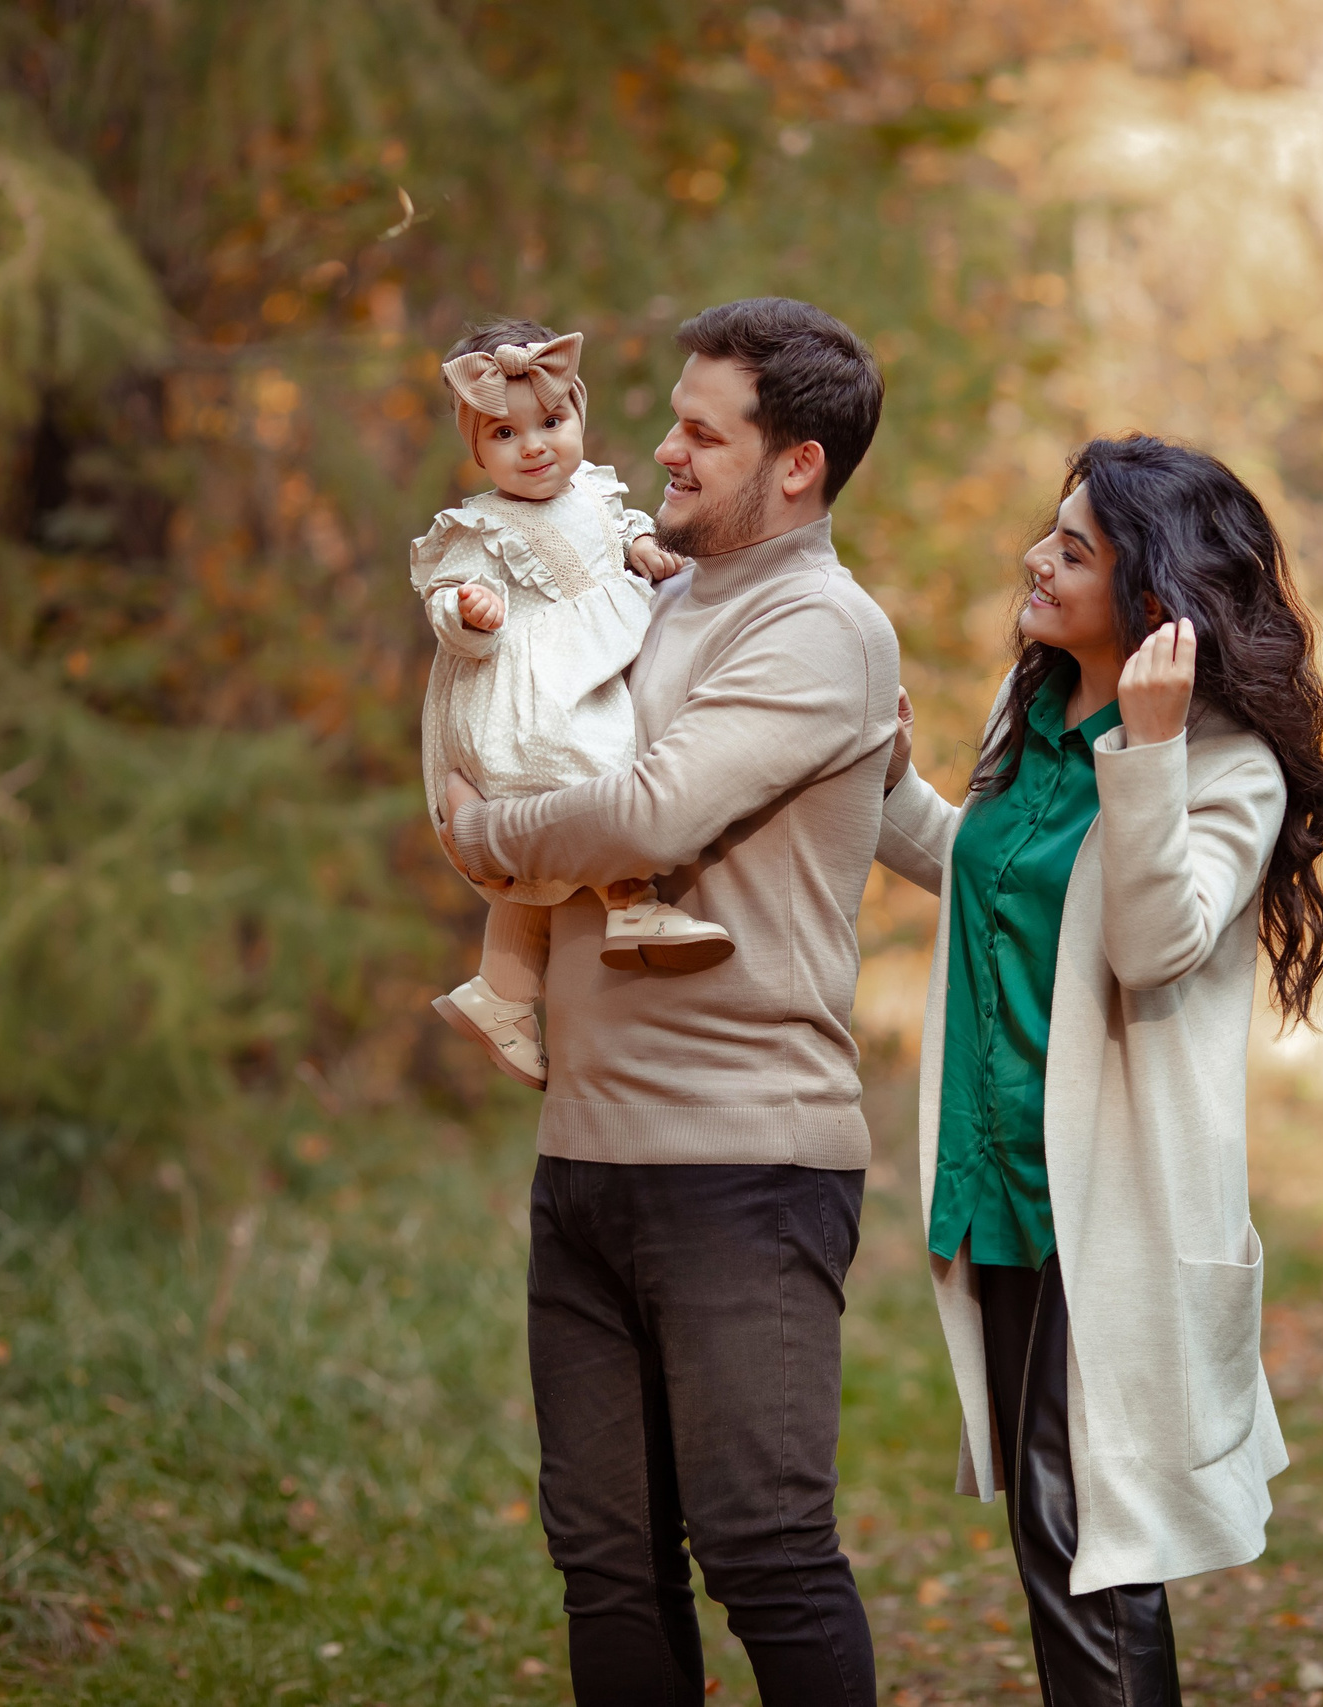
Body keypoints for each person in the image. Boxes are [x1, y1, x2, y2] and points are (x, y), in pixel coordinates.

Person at [435, 298, 896, 1706]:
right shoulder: (649, 592)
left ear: (796, 463)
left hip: (743, 1160)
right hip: (585, 1156)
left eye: (703, 430)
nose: (665, 447)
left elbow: (640, 813)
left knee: (763, 1550)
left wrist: (484, 839)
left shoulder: (823, 625)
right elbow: (488, 732)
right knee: (609, 1566)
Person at [877, 435, 1323, 1704]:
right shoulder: (1026, 714)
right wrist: (883, 782)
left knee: (1084, 1537)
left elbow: (1150, 948)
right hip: (1007, 1171)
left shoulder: (1225, 765)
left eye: (1073, 549)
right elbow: (994, 872)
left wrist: (1142, 755)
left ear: (1154, 600)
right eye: (1051, 531)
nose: (1035, 558)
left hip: (1113, 1205)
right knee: (1059, 1532)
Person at [412, 318, 726, 1093]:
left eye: (553, 421)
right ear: (477, 449)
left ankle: (504, 993)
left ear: (578, 414)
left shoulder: (594, 490)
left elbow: (621, 534)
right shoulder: (480, 525)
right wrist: (471, 609)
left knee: (575, 801)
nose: (535, 445)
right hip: (525, 691)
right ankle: (630, 895)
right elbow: (443, 603)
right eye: (506, 433)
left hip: (585, 668)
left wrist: (643, 550)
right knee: (592, 770)